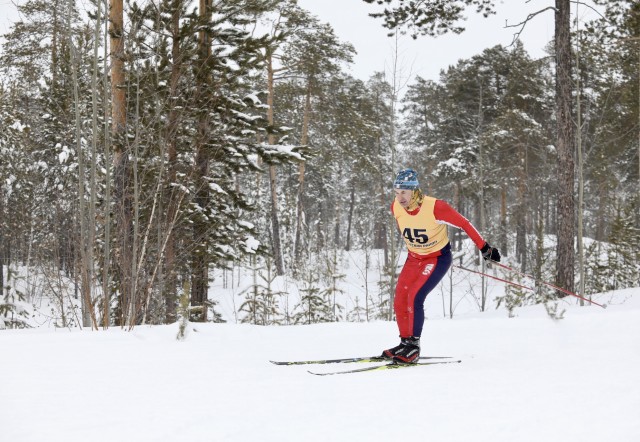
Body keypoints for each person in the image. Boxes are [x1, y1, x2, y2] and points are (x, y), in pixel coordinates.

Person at [382, 168, 501, 363]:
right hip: (414, 258)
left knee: (414, 296)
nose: (399, 197)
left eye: (404, 192)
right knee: (400, 298)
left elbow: (464, 223)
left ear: (414, 191)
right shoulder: (395, 207)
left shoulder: (435, 207)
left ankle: (413, 346)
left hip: (436, 259)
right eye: (396, 192)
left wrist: (485, 248)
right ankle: (405, 343)